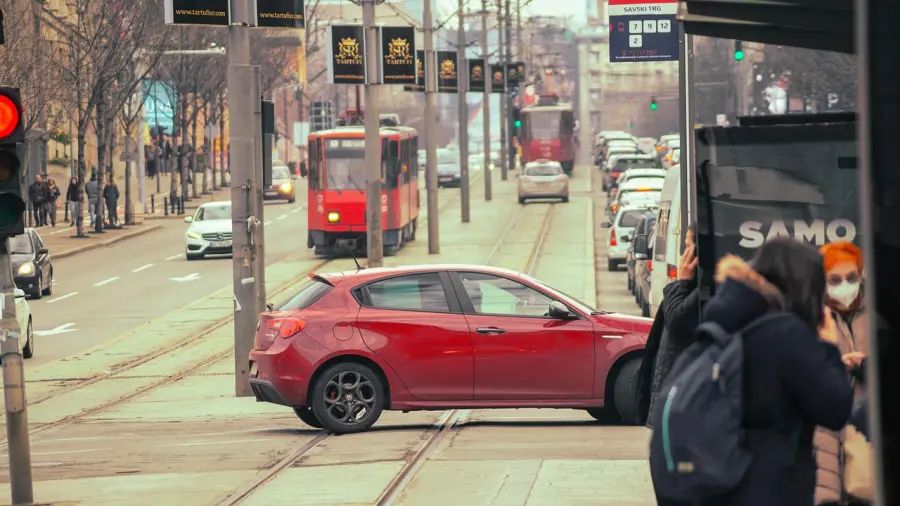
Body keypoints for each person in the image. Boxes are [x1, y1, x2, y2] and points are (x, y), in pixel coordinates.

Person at [695, 239, 853, 506]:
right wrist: (828, 346)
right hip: (771, 486)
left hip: (726, 482)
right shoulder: (785, 334)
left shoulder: (729, 318)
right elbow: (835, 407)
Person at [639, 224, 701, 428]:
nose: (683, 254)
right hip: (674, 401)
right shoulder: (694, 289)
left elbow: (676, 321)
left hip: (679, 404)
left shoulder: (699, 290)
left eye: (688, 247)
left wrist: (681, 282)